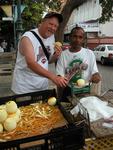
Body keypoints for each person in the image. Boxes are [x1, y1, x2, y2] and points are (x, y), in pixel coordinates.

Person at [11, 12, 68, 94]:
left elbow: (46, 61)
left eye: (55, 26)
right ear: (42, 22)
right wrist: (54, 77)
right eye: (51, 24)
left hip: (42, 86)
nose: (53, 28)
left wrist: (56, 55)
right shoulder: (28, 38)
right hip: (24, 88)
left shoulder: (51, 37)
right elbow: (31, 63)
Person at [56, 26, 101, 99]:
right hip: (68, 91)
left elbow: (95, 72)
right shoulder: (63, 55)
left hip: (84, 90)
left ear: (83, 40)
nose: (77, 40)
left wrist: (96, 76)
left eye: (80, 37)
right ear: (70, 38)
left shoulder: (89, 53)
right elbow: (59, 76)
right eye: (74, 36)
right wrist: (59, 95)